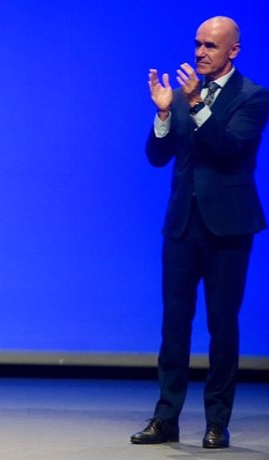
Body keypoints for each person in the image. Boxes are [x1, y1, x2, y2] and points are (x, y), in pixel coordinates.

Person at [131, 16, 269, 449]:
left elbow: (229, 149)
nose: (200, 52)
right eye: (197, 44)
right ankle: (166, 417)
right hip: (181, 226)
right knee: (174, 326)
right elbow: (157, 156)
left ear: (233, 51)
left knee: (221, 325)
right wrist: (163, 111)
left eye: (210, 45)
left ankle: (216, 422)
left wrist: (193, 106)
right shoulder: (183, 95)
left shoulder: (253, 96)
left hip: (227, 228)